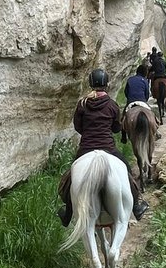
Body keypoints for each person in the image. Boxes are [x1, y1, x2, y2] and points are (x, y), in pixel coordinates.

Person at [57, 69, 149, 227]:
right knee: (128, 173)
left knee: (70, 178)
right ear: (106, 84)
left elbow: (78, 126)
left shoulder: (82, 103)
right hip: (108, 148)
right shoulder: (112, 105)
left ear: (91, 84)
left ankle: (68, 211)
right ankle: (136, 206)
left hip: (86, 148)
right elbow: (116, 128)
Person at [121, 64, 151, 144]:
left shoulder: (130, 79)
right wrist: (144, 100)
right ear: (145, 72)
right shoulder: (145, 80)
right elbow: (147, 94)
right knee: (152, 115)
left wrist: (130, 99)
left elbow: (126, 92)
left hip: (131, 102)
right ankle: (156, 130)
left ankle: (123, 136)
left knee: (123, 118)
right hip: (142, 101)